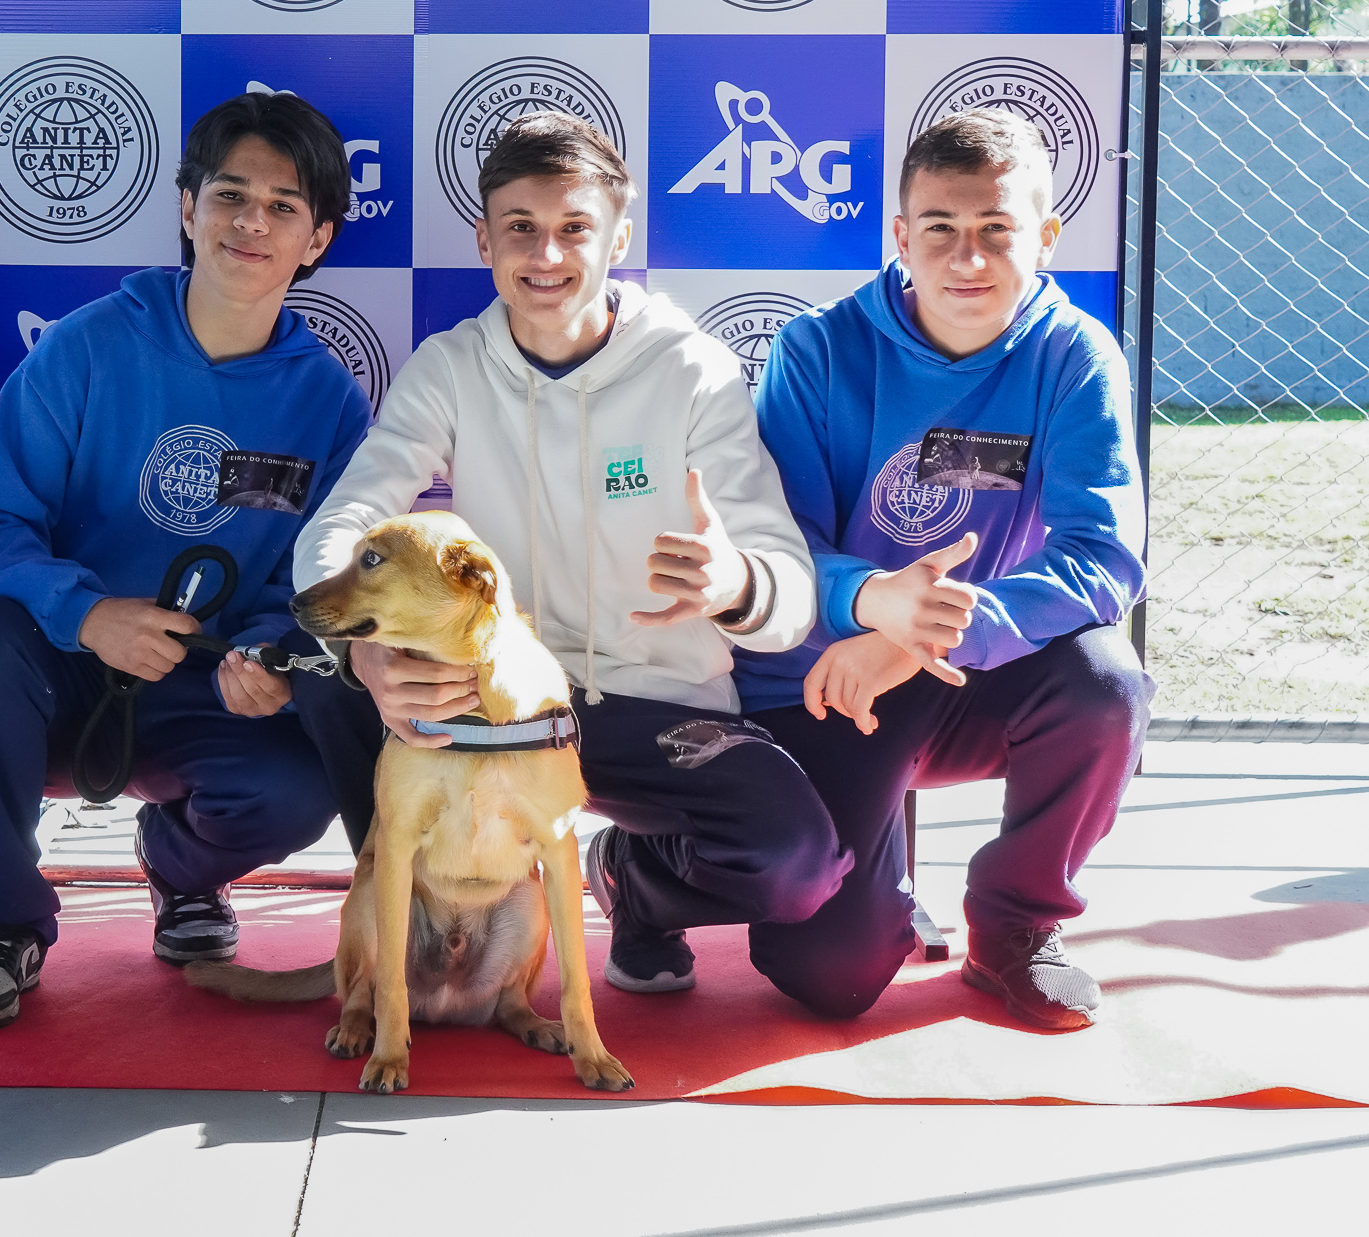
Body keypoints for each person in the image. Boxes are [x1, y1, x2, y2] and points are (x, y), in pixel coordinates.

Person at [288, 111, 850, 995]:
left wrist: (736, 581)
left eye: (574, 228)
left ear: (618, 238)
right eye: (521, 227)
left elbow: (789, 592)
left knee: (795, 864)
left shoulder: (691, 369)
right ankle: (423, 921)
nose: (546, 254)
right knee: (331, 670)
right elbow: (350, 516)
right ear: (484, 241)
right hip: (496, 701)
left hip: (654, 705)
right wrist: (363, 650)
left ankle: (633, 878)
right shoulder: (450, 367)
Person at [0, 91, 371, 1031]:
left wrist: (267, 654)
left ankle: (180, 866)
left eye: (283, 206)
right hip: (56, 671)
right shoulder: (84, 348)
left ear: (316, 239)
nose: (251, 222)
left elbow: (314, 582)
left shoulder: (329, 401)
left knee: (296, 789)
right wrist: (86, 613)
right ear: (187, 208)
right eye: (229, 195)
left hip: (199, 688)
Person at [736, 109, 1152, 1031]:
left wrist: (928, 635)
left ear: (1045, 237)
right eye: (941, 229)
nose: (968, 258)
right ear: (900, 235)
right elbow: (779, 543)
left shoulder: (1073, 355)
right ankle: (637, 870)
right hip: (832, 678)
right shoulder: (818, 349)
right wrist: (875, 609)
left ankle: (1015, 924)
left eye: (997, 229)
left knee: (1106, 682)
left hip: (969, 672)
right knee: (833, 977)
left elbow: (1103, 555)